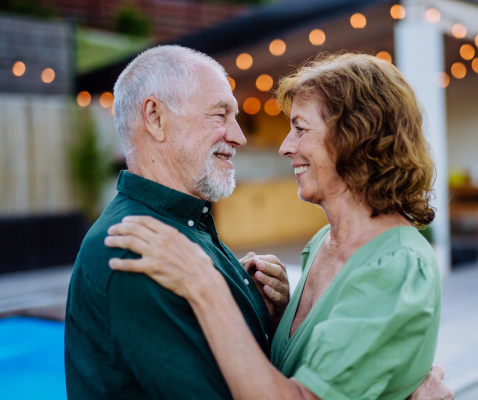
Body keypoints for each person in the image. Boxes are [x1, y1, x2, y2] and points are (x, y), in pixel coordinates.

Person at [65, 46, 451, 400]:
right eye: (221, 115)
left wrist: (260, 310)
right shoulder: (139, 249)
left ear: (355, 138)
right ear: (155, 117)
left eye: (300, 128)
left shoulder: (185, 233)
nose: (241, 137)